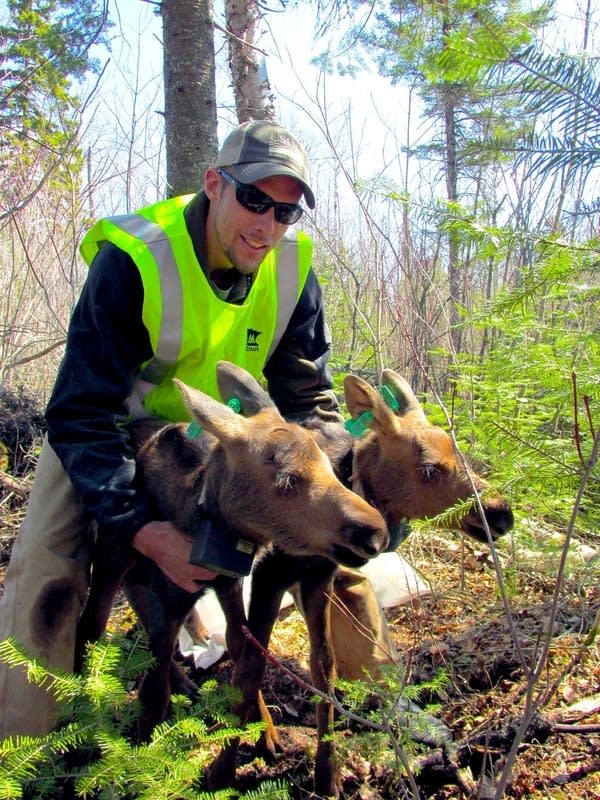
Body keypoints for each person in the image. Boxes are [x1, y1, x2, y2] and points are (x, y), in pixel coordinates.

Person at [0, 120, 400, 740]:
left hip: (224, 436)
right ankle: (25, 744)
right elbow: (79, 411)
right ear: (214, 184)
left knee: (340, 533)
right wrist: (143, 529)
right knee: (51, 563)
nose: (267, 224)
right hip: (113, 425)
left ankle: (381, 712)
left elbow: (307, 395)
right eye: (254, 200)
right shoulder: (136, 258)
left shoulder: (292, 267)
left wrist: (352, 478)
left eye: (286, 211)